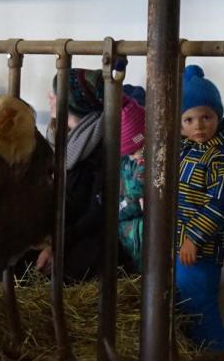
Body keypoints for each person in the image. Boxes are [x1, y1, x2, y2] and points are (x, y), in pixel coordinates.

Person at [175, 64, 224, 352]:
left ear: (218, 116)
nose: (198, 126)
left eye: (206, 117)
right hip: (182, 247)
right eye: (189, 119)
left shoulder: (220, 155)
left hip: (202, 250)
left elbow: (220, 203)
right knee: (186, 305)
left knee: (199, 307)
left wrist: (194, 238)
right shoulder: (186, 149)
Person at [34, 68, 105, 282]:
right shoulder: (58, 141)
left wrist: (57, 245)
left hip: (84, 244)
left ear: (71, 104)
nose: (49, 97)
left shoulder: (101, 148)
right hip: (58, 234)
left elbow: (95, 215)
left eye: (55, 93)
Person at [118, 96, 146, 274]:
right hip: (128, 226)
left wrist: (117, 212)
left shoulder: (145, 164)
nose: (132, 156)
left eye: (134, 151)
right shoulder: (129, 162)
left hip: (138, 230)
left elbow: (136, 191)